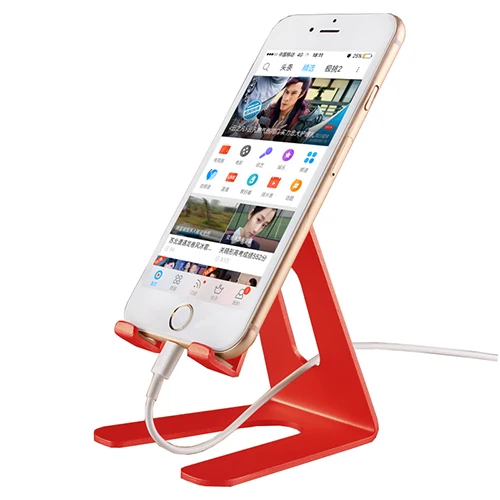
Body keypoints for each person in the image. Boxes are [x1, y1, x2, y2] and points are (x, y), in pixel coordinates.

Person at [258, 77, 323, 143]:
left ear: (301, 94)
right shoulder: (268, 111)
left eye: (294, 93)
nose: (286, 98)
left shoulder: (305, 121)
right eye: (287, 92)